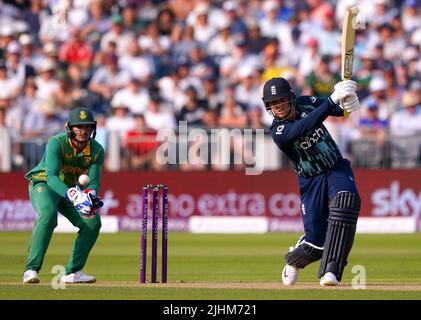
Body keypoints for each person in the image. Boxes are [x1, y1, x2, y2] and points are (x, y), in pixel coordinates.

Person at [262, 77, 361, 286]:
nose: (277, 106)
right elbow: (304, 127)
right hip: (310, 180)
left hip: (335, 167)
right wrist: (332, 99)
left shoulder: (305, 102)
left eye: (281, 100)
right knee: (315, 245)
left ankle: (331, 271)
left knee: (346, 203)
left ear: (291, 97)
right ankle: (293, 259)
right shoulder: (278, 130)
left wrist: (347, 103)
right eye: (272, 103)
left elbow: (335, 110)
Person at [23, 107, 104, 284]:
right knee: (48, 215)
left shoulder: (97, 150)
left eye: (87, 127)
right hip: (44, 184)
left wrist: (89, 196)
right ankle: (31, 270)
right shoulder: (57, 142)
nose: (83, 131)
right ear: (70, 128)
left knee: (92, 222)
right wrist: (74, 195)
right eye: (78, 127)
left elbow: (94, 181)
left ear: (93, 128)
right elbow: (51, 176)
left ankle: (73, 272)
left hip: (69, 190)